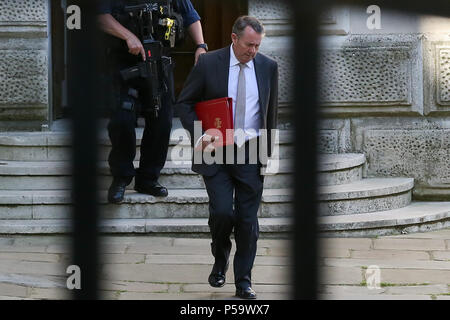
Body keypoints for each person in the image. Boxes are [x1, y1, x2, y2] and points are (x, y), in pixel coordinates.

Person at [176, 16, 279, 299]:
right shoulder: (209, 64)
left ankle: (243, 280)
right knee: (222, 213)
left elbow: (271, 113)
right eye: (249, 45)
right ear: (234, 38)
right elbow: (184, 103)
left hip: (251, 152)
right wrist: (201, 135)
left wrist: (266, 154)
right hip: (215, 152)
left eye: (258, 45)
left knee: (248, 222)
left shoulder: (268, 66)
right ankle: (220, 259)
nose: (253, 51)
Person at [97, 0, 208, 203]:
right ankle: (121, 177)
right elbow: (100, 15)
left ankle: (148, 178)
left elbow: (191, 16)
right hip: (124, 62)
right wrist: (128, 36)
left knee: (162, 121)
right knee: (122, 120)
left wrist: (201, 46)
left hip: (159, 63)